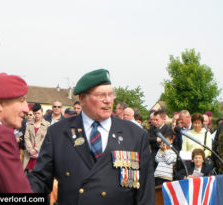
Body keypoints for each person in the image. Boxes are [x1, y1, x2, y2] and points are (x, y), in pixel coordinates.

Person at [27, 69, 154, 205]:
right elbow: (40, 180)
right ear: (82, 99)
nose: (108, 100)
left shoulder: (135, 135)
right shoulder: (58, 133)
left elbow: (145, 192)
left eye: (111, 94)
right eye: (101, 95)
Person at [23, 103, 50, 172]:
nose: (37, 115)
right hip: (29, 154)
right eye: (35, 113)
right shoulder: (29, 124)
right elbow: (26, 137)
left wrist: (36, 150)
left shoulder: (47, 125)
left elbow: (44, 138)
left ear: (42, 112)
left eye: (38, 113)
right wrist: (30, 150)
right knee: (27, 175)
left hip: (40, 154)